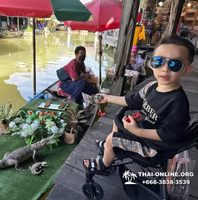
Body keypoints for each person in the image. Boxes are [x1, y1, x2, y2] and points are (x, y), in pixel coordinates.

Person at [83, 35, 194, 174]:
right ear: (151, 64)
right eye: (159, 61)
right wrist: (107, 98)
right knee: (117, 122)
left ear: (187, 70)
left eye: (174, 64)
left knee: (112, 138)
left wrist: (137, 131)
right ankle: (109, 146)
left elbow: (167, 135)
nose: (165, 69)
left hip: (155, 148)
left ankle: (104, 164)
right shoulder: (152, 86)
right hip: (144, 132)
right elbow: (130, 101)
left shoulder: (177, 102)